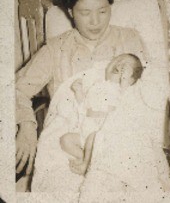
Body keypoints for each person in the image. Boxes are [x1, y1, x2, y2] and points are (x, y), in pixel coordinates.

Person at [16, 0, 146, 177]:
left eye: (102, 11)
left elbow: (149, 90)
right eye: (85, 13)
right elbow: (16, 90)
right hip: (68, 140)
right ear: (70, 12)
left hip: (120, 135)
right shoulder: (55, 49)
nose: (95, 22)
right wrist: (27, 125)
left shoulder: (129, 39)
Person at [31, 53, 143, 192]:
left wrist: (125, 80)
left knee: (93, 138)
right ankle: (88, 158)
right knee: (65, 140)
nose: (119, 64)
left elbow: (126, 102)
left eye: (125, 66)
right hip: (86, 129)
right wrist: (78, 92)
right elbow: (83, 106)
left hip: (103, 133)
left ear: (131, 79)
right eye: (117, 60)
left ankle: (85, 165)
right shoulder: (96, 86)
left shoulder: (121, 89)